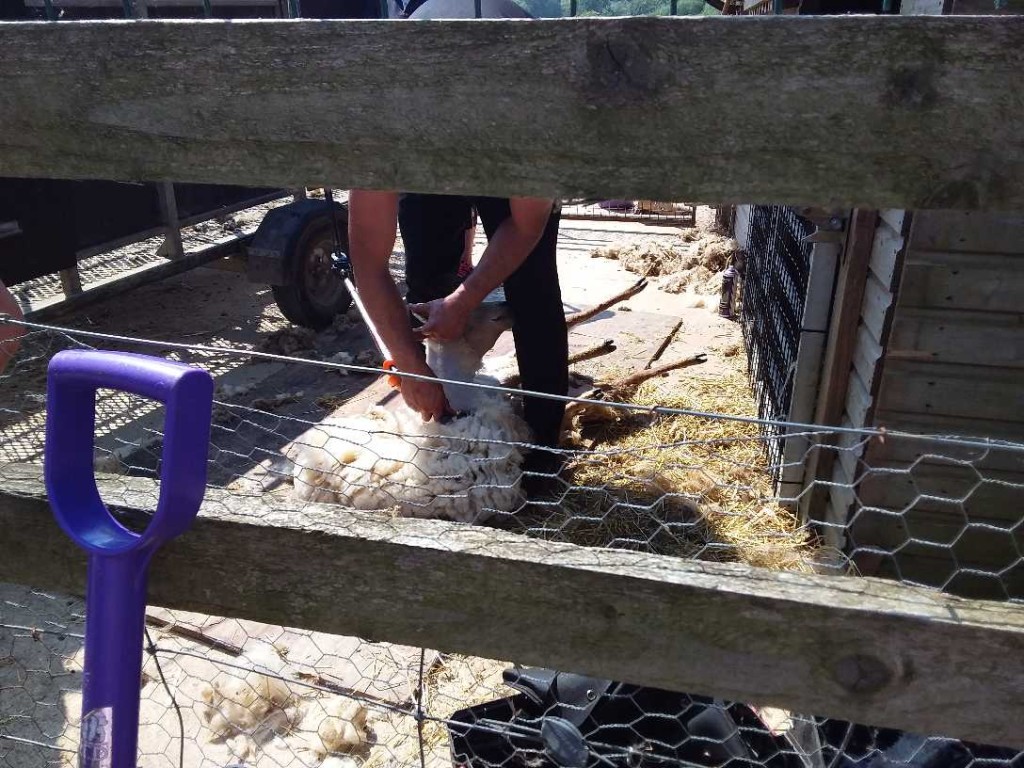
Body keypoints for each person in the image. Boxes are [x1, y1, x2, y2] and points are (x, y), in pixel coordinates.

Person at [347, 0, 568, 459]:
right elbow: (368, 259)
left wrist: (467, 299)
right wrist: (407, 364)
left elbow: (526, 226)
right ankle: (446, 427)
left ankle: (545, 448)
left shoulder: (531, 105)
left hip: (510, 124)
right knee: (428, 282)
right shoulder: (380, 119)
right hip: (429, 135)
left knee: (534, 289)